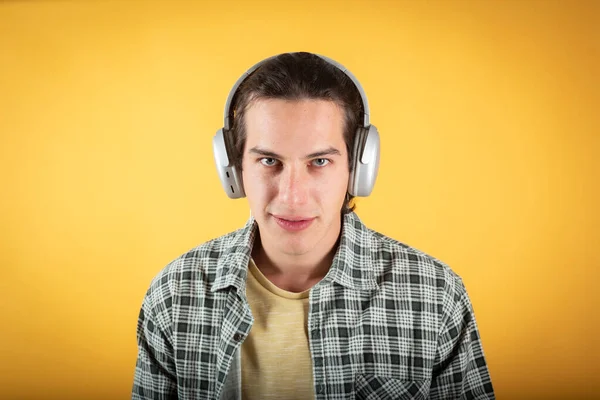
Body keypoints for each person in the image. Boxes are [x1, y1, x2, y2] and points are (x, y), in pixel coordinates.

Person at [132, 52, 495, 400]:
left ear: (359, 168)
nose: (292, 196)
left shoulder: (435, 294)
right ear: (233, 168)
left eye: (319, 161)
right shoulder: (174, 294)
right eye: (269, 160)